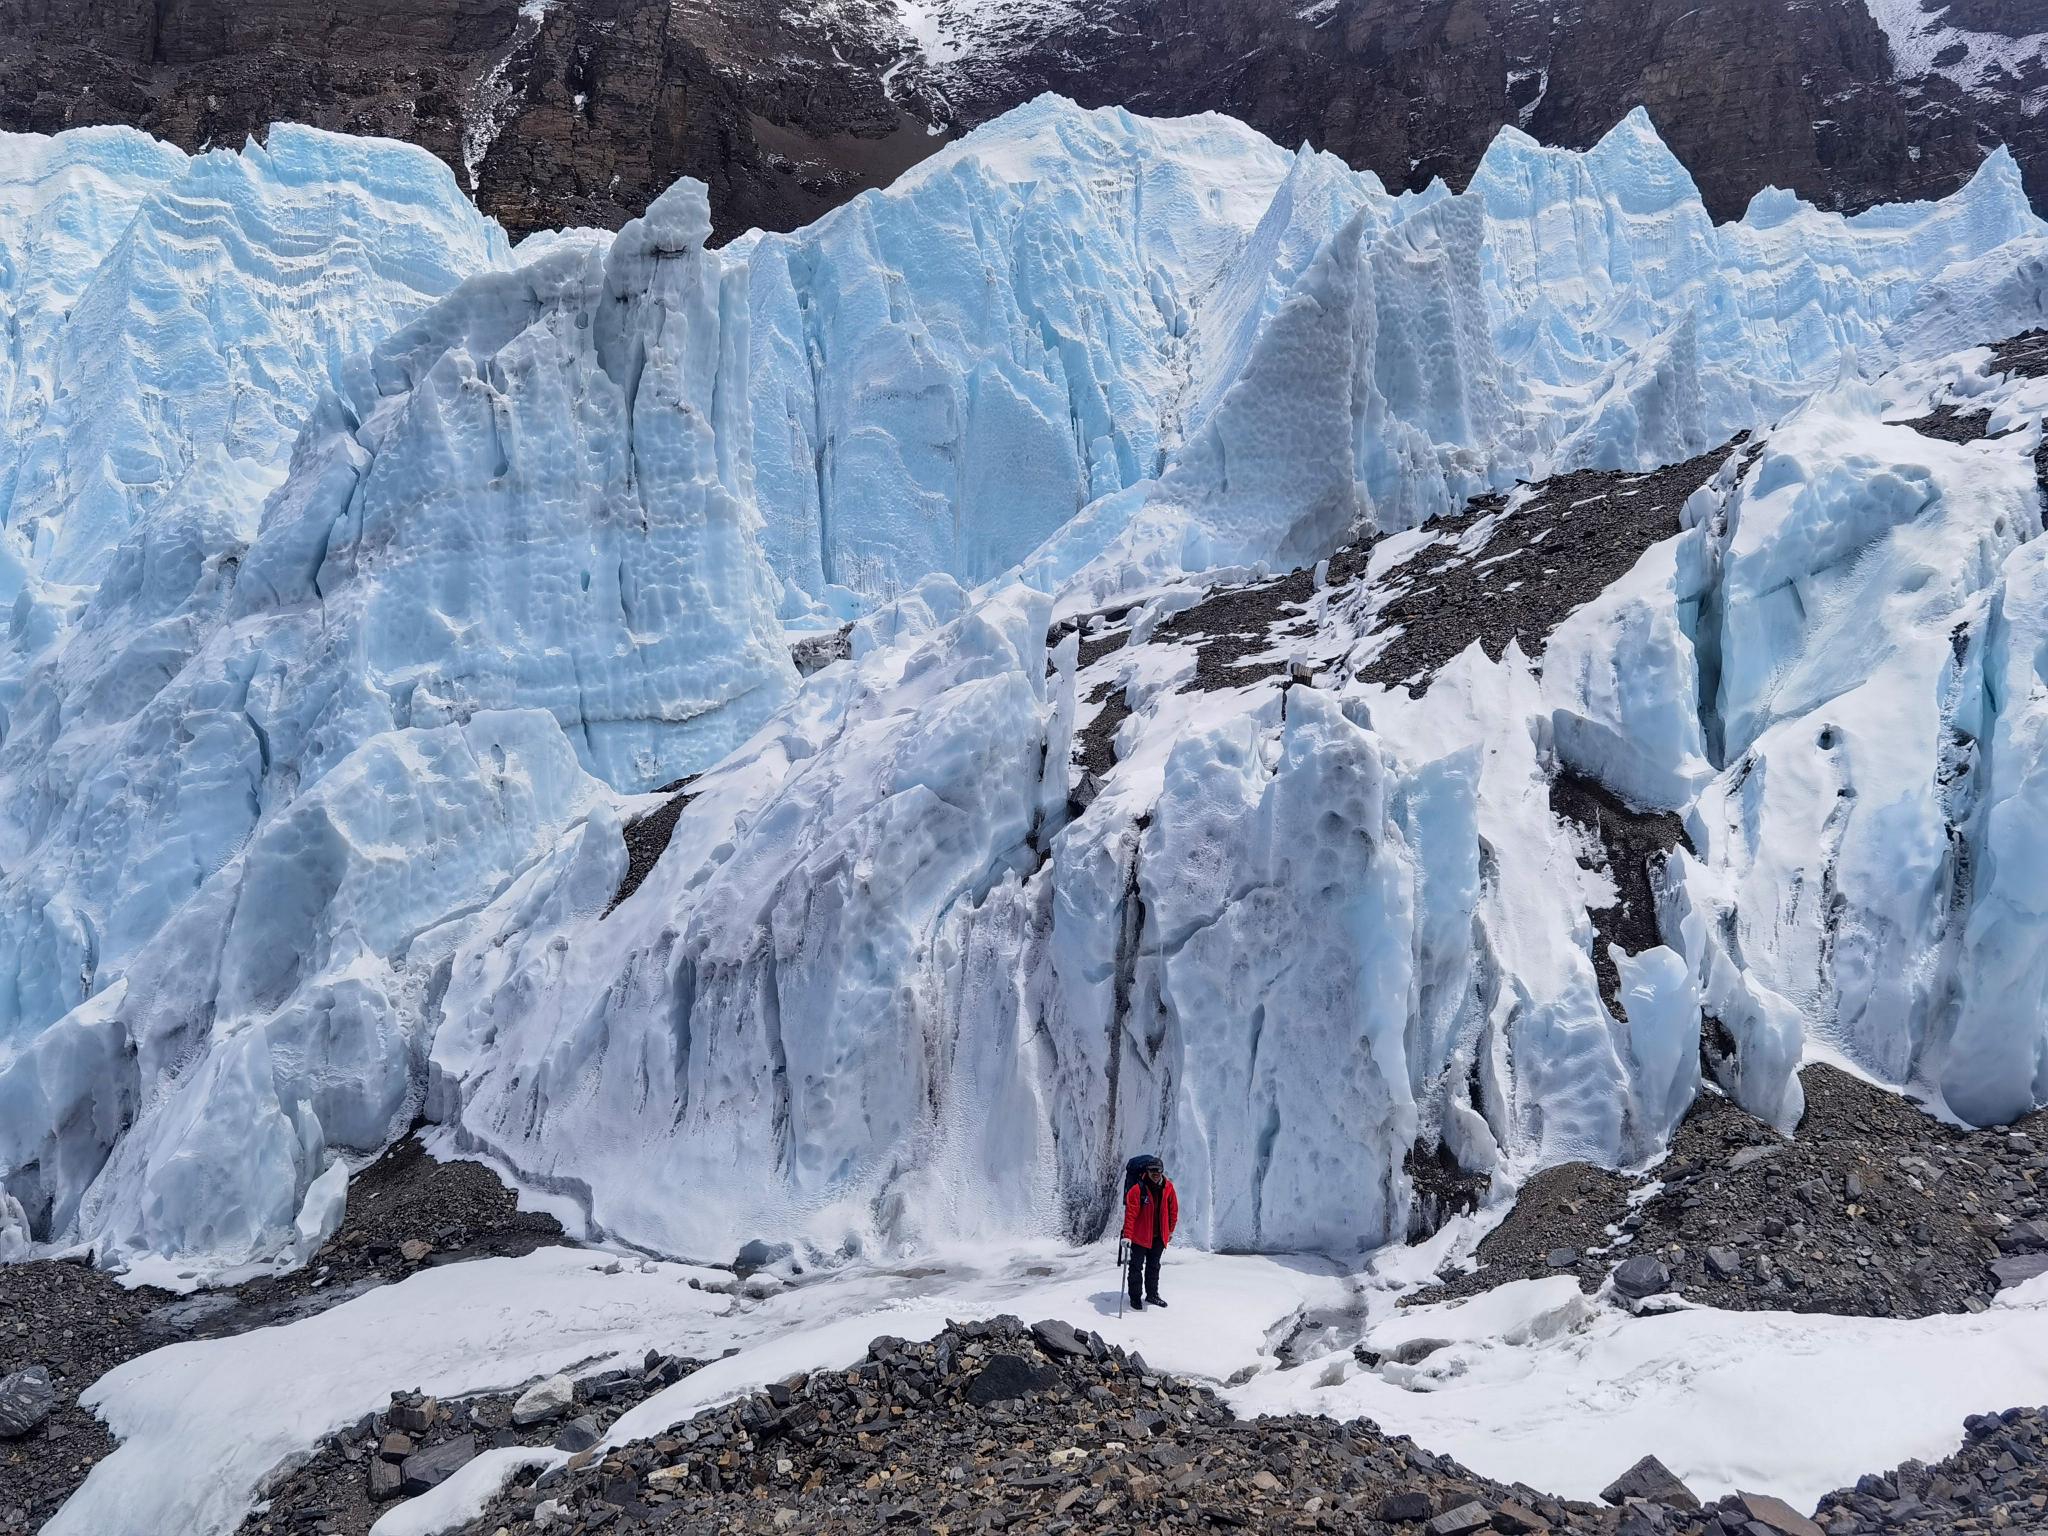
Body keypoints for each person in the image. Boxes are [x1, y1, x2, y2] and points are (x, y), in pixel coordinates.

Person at [1122, 1157, 1178, 1310]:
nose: (1155, 1173)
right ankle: (1135, 1297)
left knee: (1154, 1267)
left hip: (1158, 1237)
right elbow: (1131, 1214)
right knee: (1136, 1267)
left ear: (1162, 1171)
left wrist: (1170, 1230)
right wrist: (1127, 1235)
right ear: (1147, 1171)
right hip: (1139, 1237)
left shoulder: (1168, 1188)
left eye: (1158, 1170)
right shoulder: (1137, 1189)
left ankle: (1152, 1294)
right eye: (1152, 1170)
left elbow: (1173, 1211)